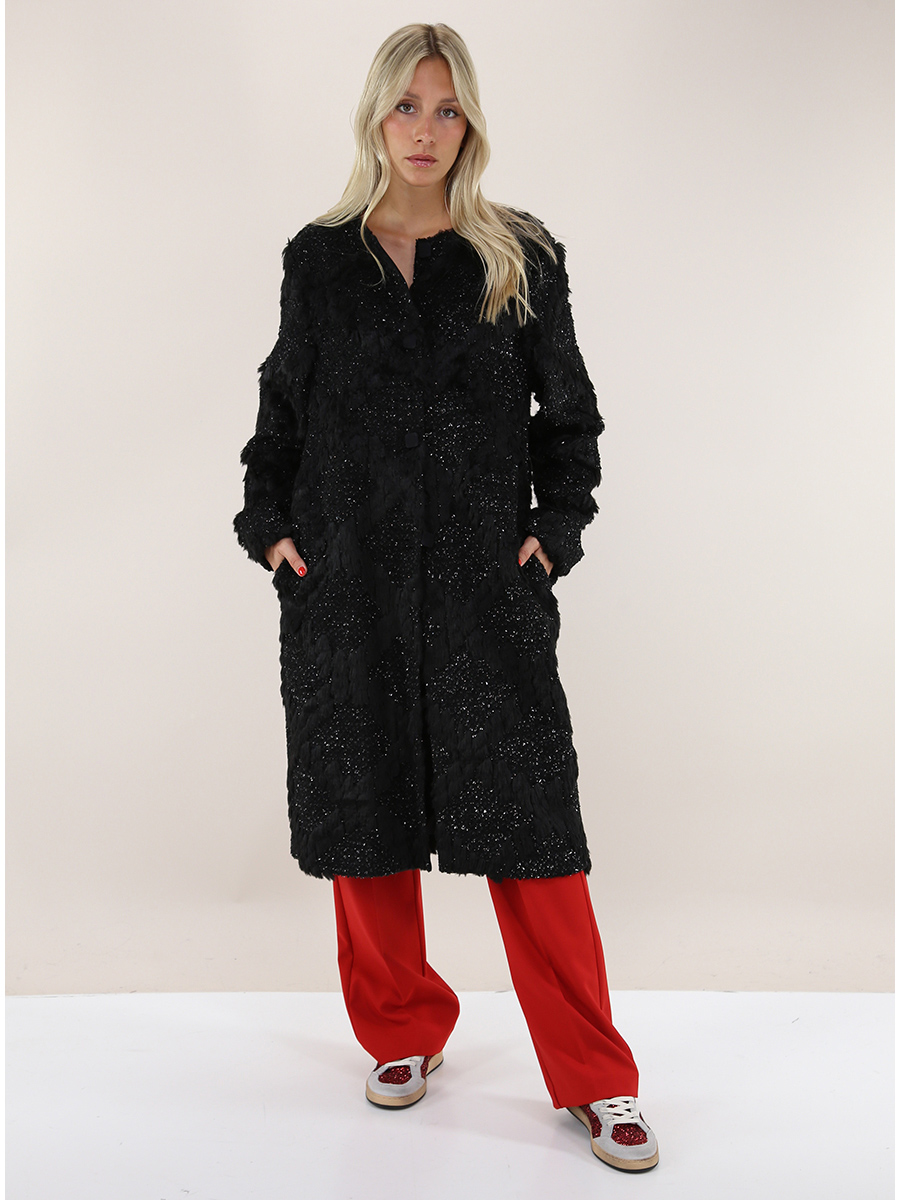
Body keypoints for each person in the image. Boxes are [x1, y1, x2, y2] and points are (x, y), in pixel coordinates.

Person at [233, 22, 658, 1173]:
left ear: (471, 122)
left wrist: (551, 537)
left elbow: (570, 419)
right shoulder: (320, 259)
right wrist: (271, 531)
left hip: (485, 591)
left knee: (535, 832)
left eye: (448, 108)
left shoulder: (521, 253)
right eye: (407, 107)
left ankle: (596, 1076)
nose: (425, 130)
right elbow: (284, 410)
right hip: (347, 584)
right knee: (364, 815)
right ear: (376, 117)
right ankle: (401, 1029)